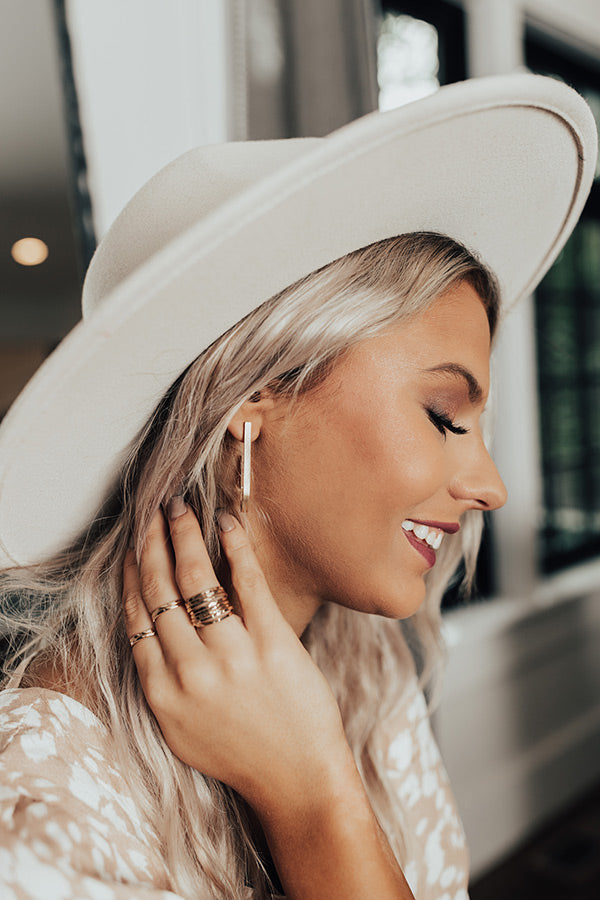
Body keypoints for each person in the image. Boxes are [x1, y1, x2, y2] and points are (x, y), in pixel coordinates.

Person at [0, 74, 596, 900]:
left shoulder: (363, 665)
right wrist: (316, 804)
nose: (489, 487)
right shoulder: (41, 800)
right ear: (254, 394)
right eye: (444, 415)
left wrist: (314, 783)